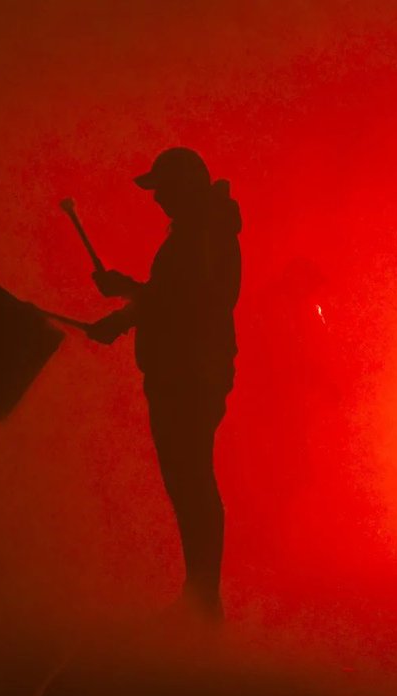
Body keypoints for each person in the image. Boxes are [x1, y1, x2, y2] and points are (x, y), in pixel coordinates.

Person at [87, 148, 242, 621]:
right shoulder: (203, 231)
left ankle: (202, 600)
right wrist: (123, 317)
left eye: (163, 191)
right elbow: (172, 299)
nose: (157, 201)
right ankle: (199, 594)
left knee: (190, 481)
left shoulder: (202, 237)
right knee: (189, 481)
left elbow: (182, 302)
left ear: (184, 187)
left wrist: (126, 293)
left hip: (188, 375)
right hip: (193, 371)